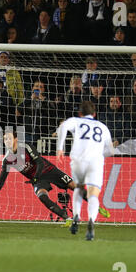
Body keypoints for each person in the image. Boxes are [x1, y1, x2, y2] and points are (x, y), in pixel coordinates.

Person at [0, 129, 110, 225]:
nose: (7, 141)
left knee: (74, 186)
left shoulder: (26, 147)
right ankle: (67, 217)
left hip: (49, 171)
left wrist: (36, 177)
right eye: (5, 139)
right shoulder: (7, 159)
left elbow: (40, 163)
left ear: (15, 139)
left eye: (9, 138)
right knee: (42, 197)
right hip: (38, 180)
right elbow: (3, 176)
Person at [56, 101, 114, 240]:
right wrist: (99, 154)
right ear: (94, 114)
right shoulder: (102, 127)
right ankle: (91, 222)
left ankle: (76, 216)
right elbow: (110, 150)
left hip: (78, 161)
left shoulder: (75, 121)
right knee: (93, 193)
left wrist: (60, 148)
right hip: (95, 162)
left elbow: (63, 127)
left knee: (79, 188)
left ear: (80, 113)